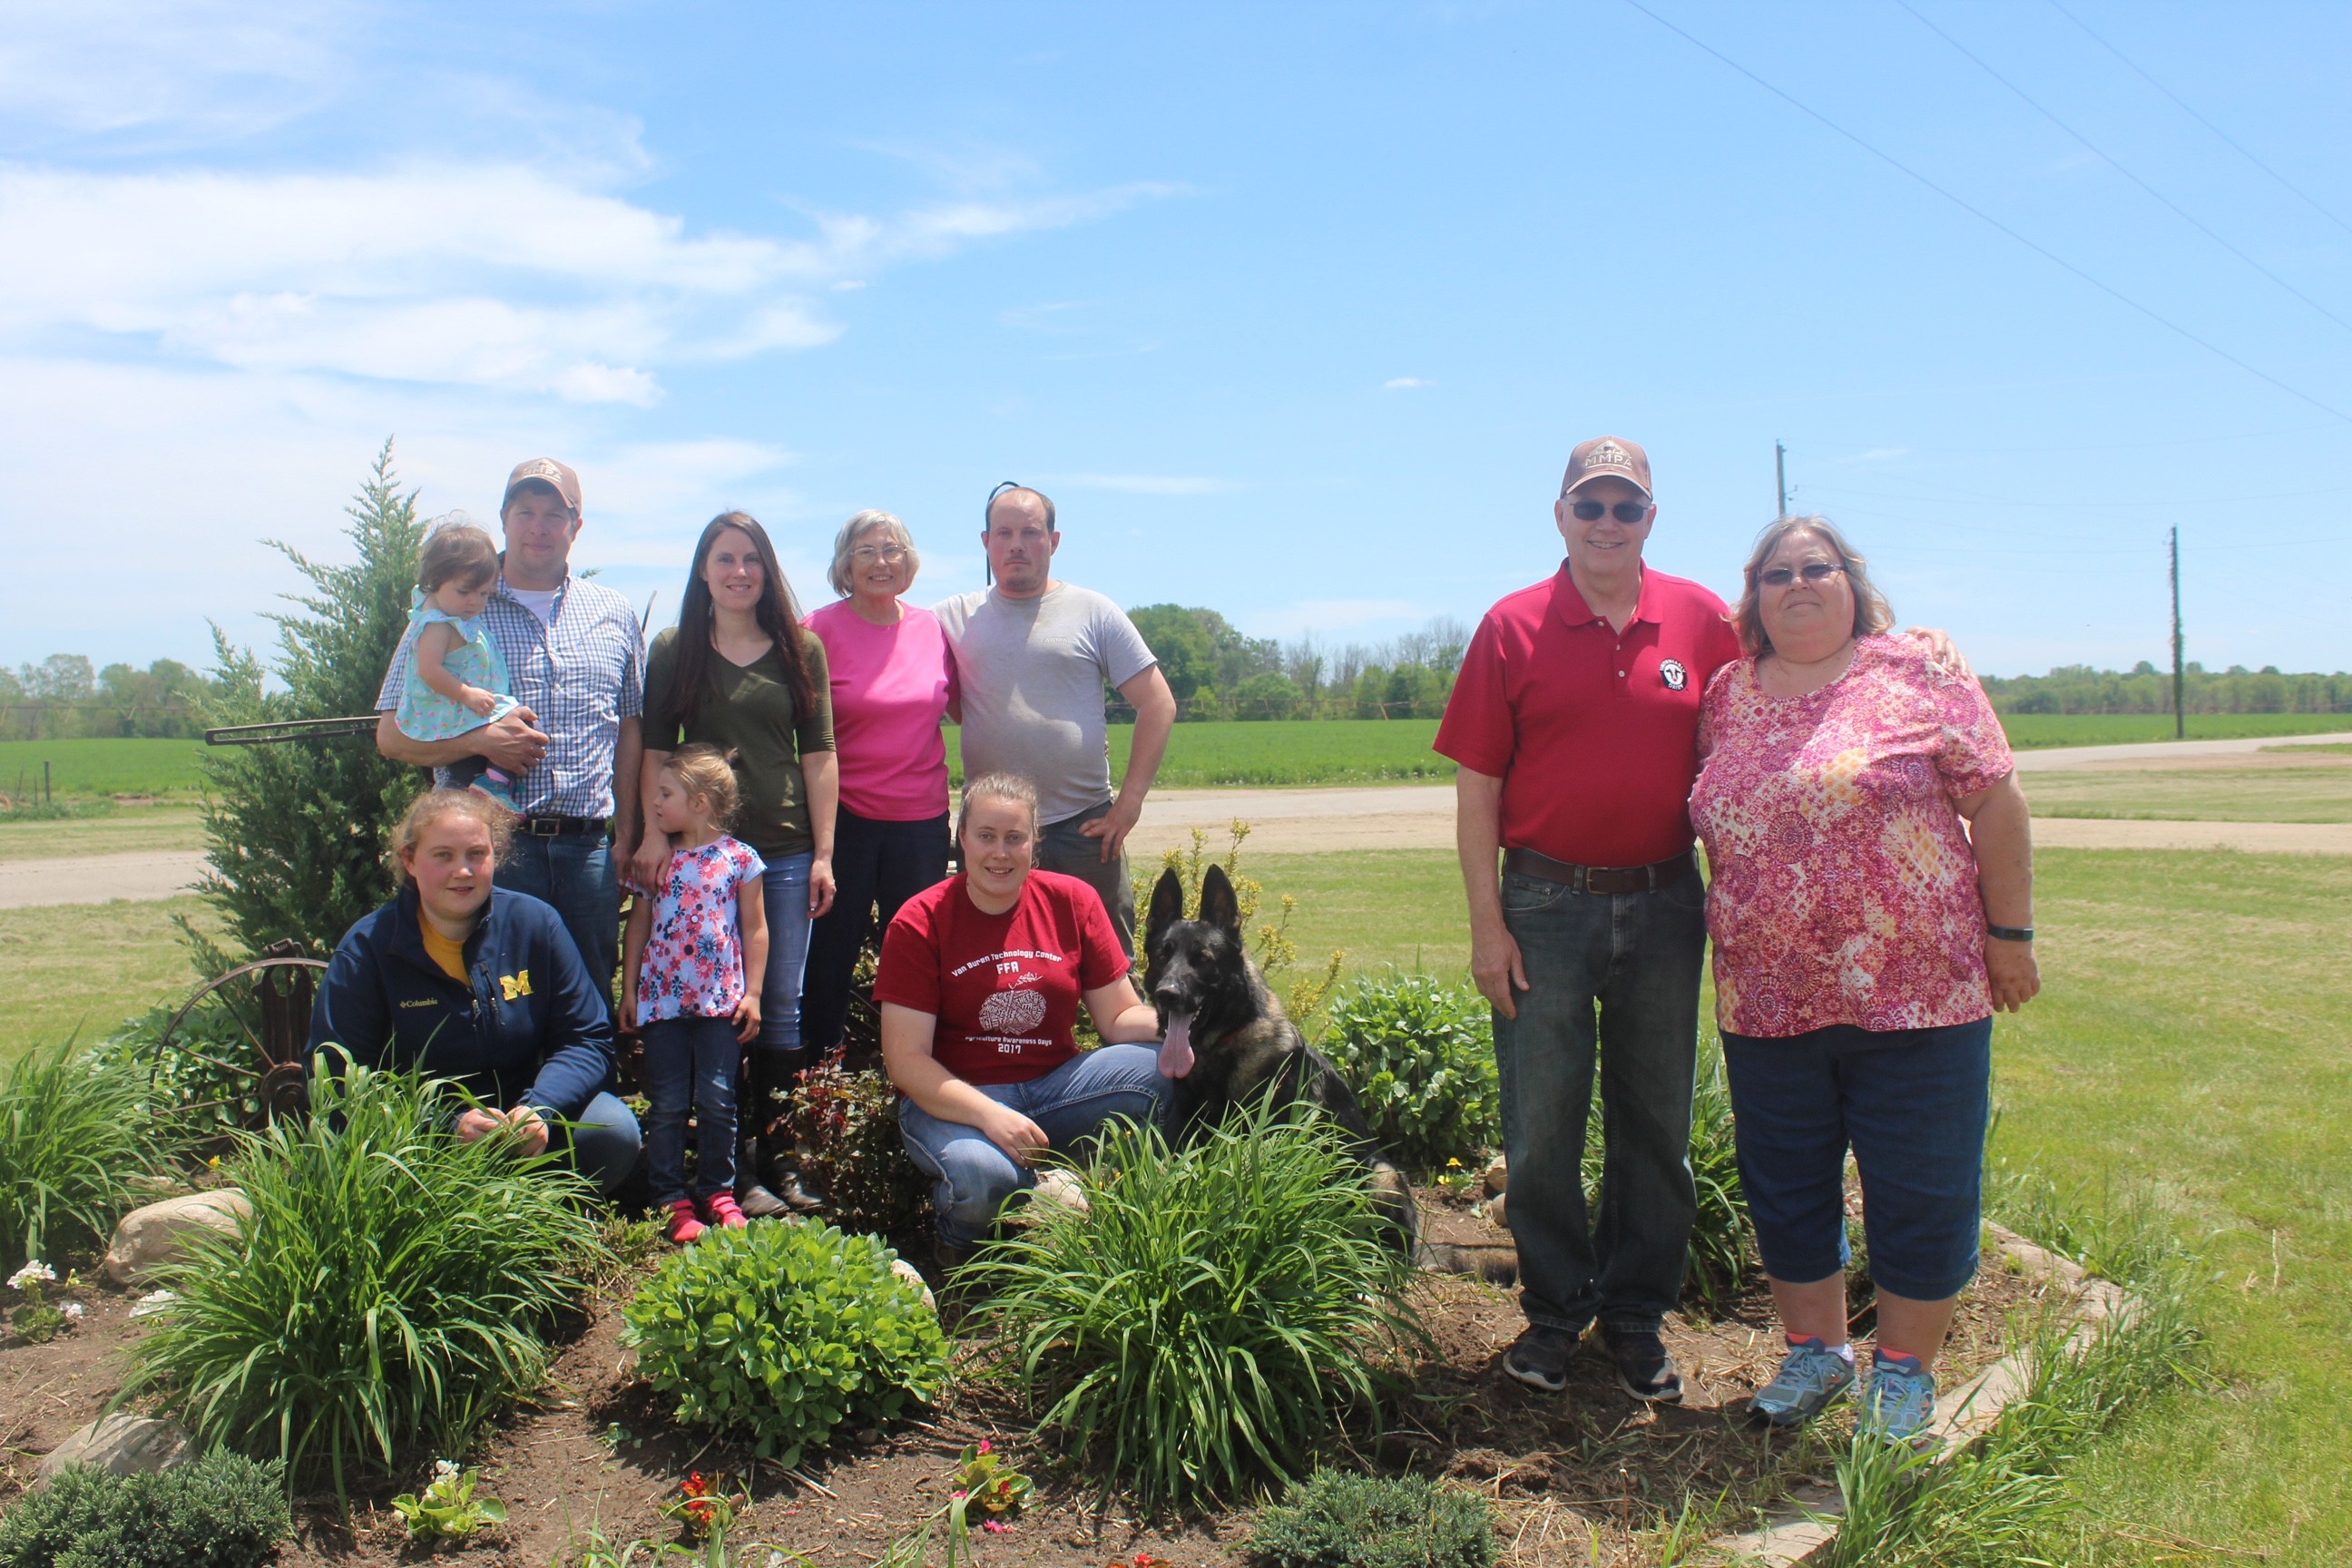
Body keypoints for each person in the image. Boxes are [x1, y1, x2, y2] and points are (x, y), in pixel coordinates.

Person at [1690, 514, 2038, 1443]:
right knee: (1787, 1183)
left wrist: (2011, 935)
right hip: (1766, 998)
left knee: (1920, 1182)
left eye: (1819, 567)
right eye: (1777, 574)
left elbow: (1997, 801)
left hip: (1920, 992)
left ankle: (1903, 1373)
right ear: (1753, 599)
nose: (1799, 584)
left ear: (1853, 583)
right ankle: (1816, 1356)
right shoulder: (1727, 693)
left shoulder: (1918, 671)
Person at [1434, 436, 1743, 1404]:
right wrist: (1489, 926)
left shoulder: (1703, 621)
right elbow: (1477, 790)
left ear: (1653, 518)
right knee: (1542, 1126)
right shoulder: (1511, 628)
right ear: (1560, 514)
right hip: (1543, 906)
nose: (1607, 523)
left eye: (1628, 507)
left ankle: (1638, 1318)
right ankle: (1557, 1312)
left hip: (1663, 903)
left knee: (1658, 1122)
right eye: (1590, 505)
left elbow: (1765, 730)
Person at [375, 457, 646, 1004]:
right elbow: (392, 737)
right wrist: (478, 742)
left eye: (554, 514)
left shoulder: (613, 611)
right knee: (490, 1006)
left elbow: (633, 732)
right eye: (526, 512)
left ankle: (587, 1091)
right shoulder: (452, 608)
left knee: (587, 1004)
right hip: (485, 852)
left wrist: (627, 835)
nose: (539, 527)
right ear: (504, 518)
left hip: (587, 851)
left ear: (577, 527)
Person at [875, 772, 1167, 1269]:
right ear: (962, 838)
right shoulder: (919, 921)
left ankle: (1131, 1222)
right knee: (982, 1175)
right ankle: (960, 1250)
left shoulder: (1072, 901)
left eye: (1015, 838)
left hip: (1055, 1087)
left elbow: (1118, 1018)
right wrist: (990, 1116)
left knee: (1170, 1069)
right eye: (986, 836)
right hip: (954, 1100)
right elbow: (905, 1061)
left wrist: (1196, 1023)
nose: (1000, 853)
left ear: (1036, 843)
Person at [632, 511, 837, 1216]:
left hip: (781, 853)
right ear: (703, 569)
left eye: (751, 558)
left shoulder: (799, 649)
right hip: (697, 861)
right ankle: (725, 1172)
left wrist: (825, 853)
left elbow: (820, 754)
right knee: (709, 1013)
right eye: (725, 558)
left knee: (777, 1006)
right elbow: (657, 747)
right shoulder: (676, 647)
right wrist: (654, 834)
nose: (739, 571)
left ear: (767, 568)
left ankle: (778, 1161)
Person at [305, 789, 642, 1192]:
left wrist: (539, 1110)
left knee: (613, 1129)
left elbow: (587, 1038)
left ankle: (546, 1220)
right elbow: (337, 1078)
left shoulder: (535, 925)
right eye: (443, 855)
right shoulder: (368, 950)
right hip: (420, 1141)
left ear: (495, 856)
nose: (463, 871)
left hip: (522, 1124)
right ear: (410, 860)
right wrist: (444, 1125)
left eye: (476, 854)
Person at [934, 484, 1178, 952]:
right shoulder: (950, 618)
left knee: (1108, 965)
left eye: (1030, 532)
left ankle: (1123, 1030)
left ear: (1054, 540)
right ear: (985, 543)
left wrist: (1128, 805)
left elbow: (1158, 703)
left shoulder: (1094, 611)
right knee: (992, 964)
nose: (1016, 544)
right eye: (1003, 533)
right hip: (994, 833)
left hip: (1084, 827)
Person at [801, 510, 956, 1060]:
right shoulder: (815, 631)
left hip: (921, 823)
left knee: (913, 959)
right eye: (865, 551)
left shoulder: (932, 629)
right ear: (844, 565)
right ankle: (820, 1083)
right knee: (829, 958)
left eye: (891, 549)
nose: (880, 562)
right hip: (845, 822)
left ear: (909, 561)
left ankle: (909, 1077)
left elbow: (963, 706)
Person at [622, 746, 770, 1244]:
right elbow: (638, 926)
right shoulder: (655, 859)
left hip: (719, 1006)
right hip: (662, 1003)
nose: (657, 804)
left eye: (666, 794)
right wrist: (629, 992)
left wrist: (754, 994)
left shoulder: (740, 860)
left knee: (718, 1099)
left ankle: (717, 1191)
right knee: (665, 1102)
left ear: (702, 802)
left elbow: (755, 930)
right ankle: (669, 1196)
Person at [392, 521, 523, 809]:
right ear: (435, 582)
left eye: (485, 594)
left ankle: (494, 783)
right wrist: (466, 694)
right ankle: (470, 795)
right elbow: (428, 670)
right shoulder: (436, 624)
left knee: (519, 721)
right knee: (459, 770)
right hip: (451, 709)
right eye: (465, 592)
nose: (475, 602)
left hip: (467, 708)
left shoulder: (458, 617)